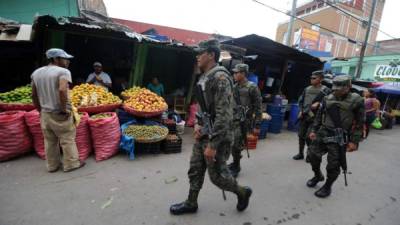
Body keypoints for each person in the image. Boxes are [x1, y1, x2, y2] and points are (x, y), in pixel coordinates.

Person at [170, 40, 252, 215]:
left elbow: (224, 115)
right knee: (195, 169)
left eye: (201, 53)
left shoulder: (221, 78)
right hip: (206, 131)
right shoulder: (205, 76)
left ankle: (243, 192)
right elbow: (202, 106)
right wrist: (198, 124)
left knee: (218, 177)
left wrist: (213, 145)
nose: (197, 56)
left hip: (219, 136)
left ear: (211, 55)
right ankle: (191, 203)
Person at [307, 75, 364, 198]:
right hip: (324, 131)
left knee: (333, 165)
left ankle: (327, 186)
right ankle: (318, 175)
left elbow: (360, 123)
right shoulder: (327, 98)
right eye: (335, 88)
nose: (336, 90)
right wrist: (314, 130)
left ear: (348, 87)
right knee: (312, 155)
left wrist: (354, 141)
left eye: (340, 88)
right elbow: (319, 115)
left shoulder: (357, 100)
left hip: (340, 135)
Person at [31, 48, 85, 172]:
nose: (68, 62)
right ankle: (71, 164)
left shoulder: (36, 73)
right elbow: (62, 90)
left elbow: (33, 95)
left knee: (50, 141)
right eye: (65, 59)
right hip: (59, 112)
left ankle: (52, 166)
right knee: (67, 139)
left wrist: (40, 110)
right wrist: (63, 109)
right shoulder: (63, 72)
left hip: (45, 113)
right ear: (56, 59)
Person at [229, 63, 262, 178]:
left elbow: (258, 107)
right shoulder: (235, 86)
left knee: (236, 145)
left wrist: (257, 125)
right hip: (233, 119)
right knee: (231, 143)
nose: (234, 74)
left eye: (236, 72)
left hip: (244, 121)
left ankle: (237, 166)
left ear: (243, 74)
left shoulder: (252, 87)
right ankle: (235, 161)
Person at [293, 71, 330, 161]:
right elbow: (301, 101)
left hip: (316, 118)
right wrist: (301, 110)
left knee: (309, 137)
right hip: (305, 115)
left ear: (321, 79)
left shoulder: (326, 90)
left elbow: (330, 103)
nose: (312, 80)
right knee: (301, 135)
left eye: (314, 78)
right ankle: (300, 153)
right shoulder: (307, 89)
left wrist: (320, 103)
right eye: (311, 78)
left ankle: (309, 154)